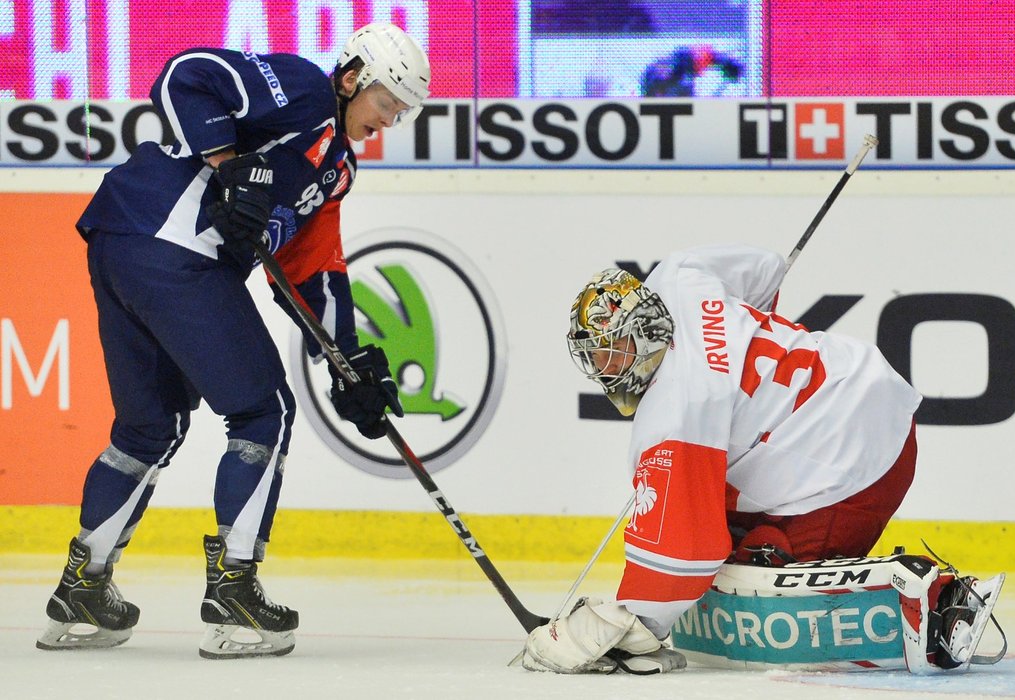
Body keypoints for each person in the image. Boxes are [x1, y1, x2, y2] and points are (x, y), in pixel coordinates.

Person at [36, 23, 429, 659]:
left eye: (401, 112)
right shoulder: (303, 89)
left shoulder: (335, 171)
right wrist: (228, 166)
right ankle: (235, 592)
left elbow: (312, 269)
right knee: (264, 412)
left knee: (148, 428)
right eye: (386, 103)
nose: (387, 120)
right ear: (354, 77)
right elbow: (185, 72)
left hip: (126, 244)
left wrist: (351, 361)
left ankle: (84, 584)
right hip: (169, 248)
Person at [523, 244, 930, 673]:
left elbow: (685, 552)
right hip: (860, 379)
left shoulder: (677, 409)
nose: (606, 369)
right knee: (721, 499)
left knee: (758, 562)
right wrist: (727, 343)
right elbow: (766, 269)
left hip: (855, 465)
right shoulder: (678, 277)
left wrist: (630, 626)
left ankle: (935, 605)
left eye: (613, 351)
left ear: (643, 331)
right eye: (595, 357)